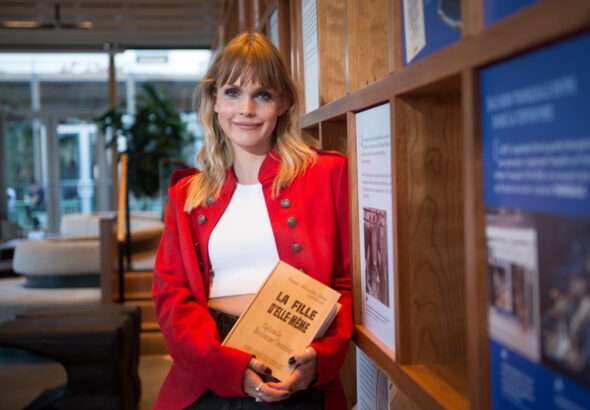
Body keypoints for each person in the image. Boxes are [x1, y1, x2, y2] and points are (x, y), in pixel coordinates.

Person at [152, 32, 353, 410]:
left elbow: (346, 284)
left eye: (262, 95)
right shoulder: (187, 196)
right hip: (208, 379)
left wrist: (321, 359)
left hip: (296, 380)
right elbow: (170, 298)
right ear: (214, 102)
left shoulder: (328, 174)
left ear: (283, 103)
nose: (246, 109)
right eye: (232, 93)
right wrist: (228, 368)